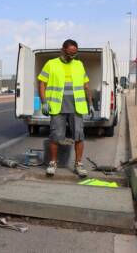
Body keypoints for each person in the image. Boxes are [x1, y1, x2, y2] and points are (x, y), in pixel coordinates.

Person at [37, 39, 94, 177]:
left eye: (74, 54)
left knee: (79, 136)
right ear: (62, 50)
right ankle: (53, 163)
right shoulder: (51, 64)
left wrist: (90, 103)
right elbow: (42, 83)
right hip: (57, 107)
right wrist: (43, 101)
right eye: (69, 54)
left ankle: (78, 164)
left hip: (77, 107)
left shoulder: (79, 64)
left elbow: (86, 86)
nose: (72, 57)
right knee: (55, 136)